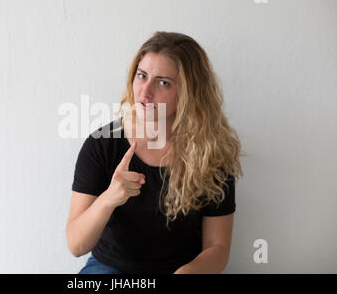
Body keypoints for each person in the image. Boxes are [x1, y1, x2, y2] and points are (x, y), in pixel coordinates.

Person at [66, 31, 245, 274]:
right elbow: (76, 245)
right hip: (111, 268)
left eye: (163, 82)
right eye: (142, 76)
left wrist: (189, 272)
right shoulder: (103, 144)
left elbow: (218, 248)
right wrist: (109, 198)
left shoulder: (210, 154)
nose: (145, 92)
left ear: (188, 93)